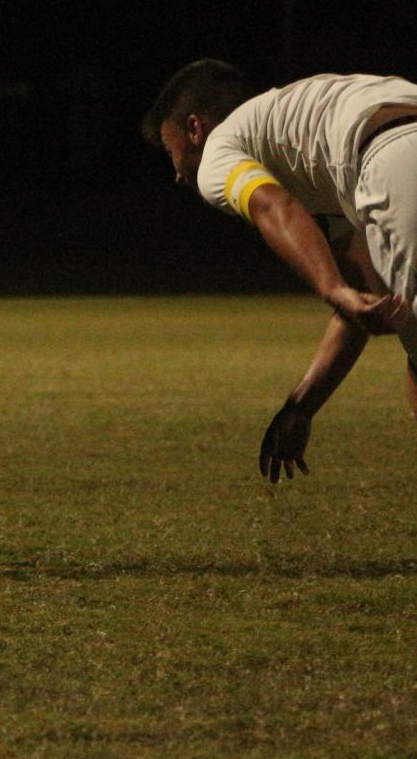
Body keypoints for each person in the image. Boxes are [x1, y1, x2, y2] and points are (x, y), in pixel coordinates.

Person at [142, 60, 417, 482]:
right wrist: (301, 407)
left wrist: (329, 288)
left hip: (396, 155)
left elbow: (272, 205)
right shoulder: (310, 134)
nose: (178, 174)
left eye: (171, 151)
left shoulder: (221, 148)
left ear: (195, 128)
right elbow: (360, 295)